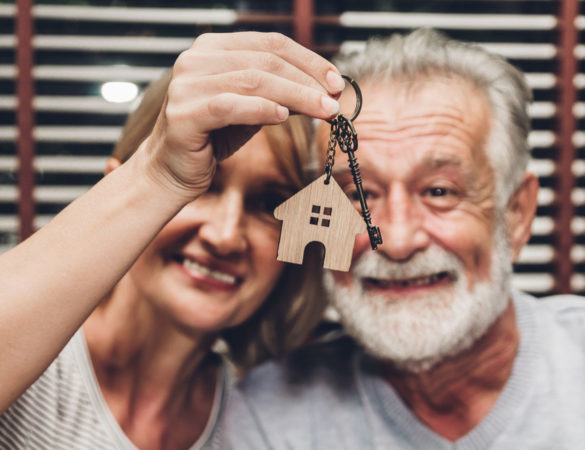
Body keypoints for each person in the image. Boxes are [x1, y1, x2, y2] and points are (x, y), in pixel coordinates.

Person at [223, 28, 585, 448]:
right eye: (357, 194)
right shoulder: (268, 416)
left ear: (516, 215)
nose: (397, 242)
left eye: (439, 192)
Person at [0, 32, 346, 448]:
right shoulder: (33, 358)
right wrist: (157, 174)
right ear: (120, 185)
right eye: (202, 186)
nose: (224, 236)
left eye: (269, 203)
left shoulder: (260, 423)